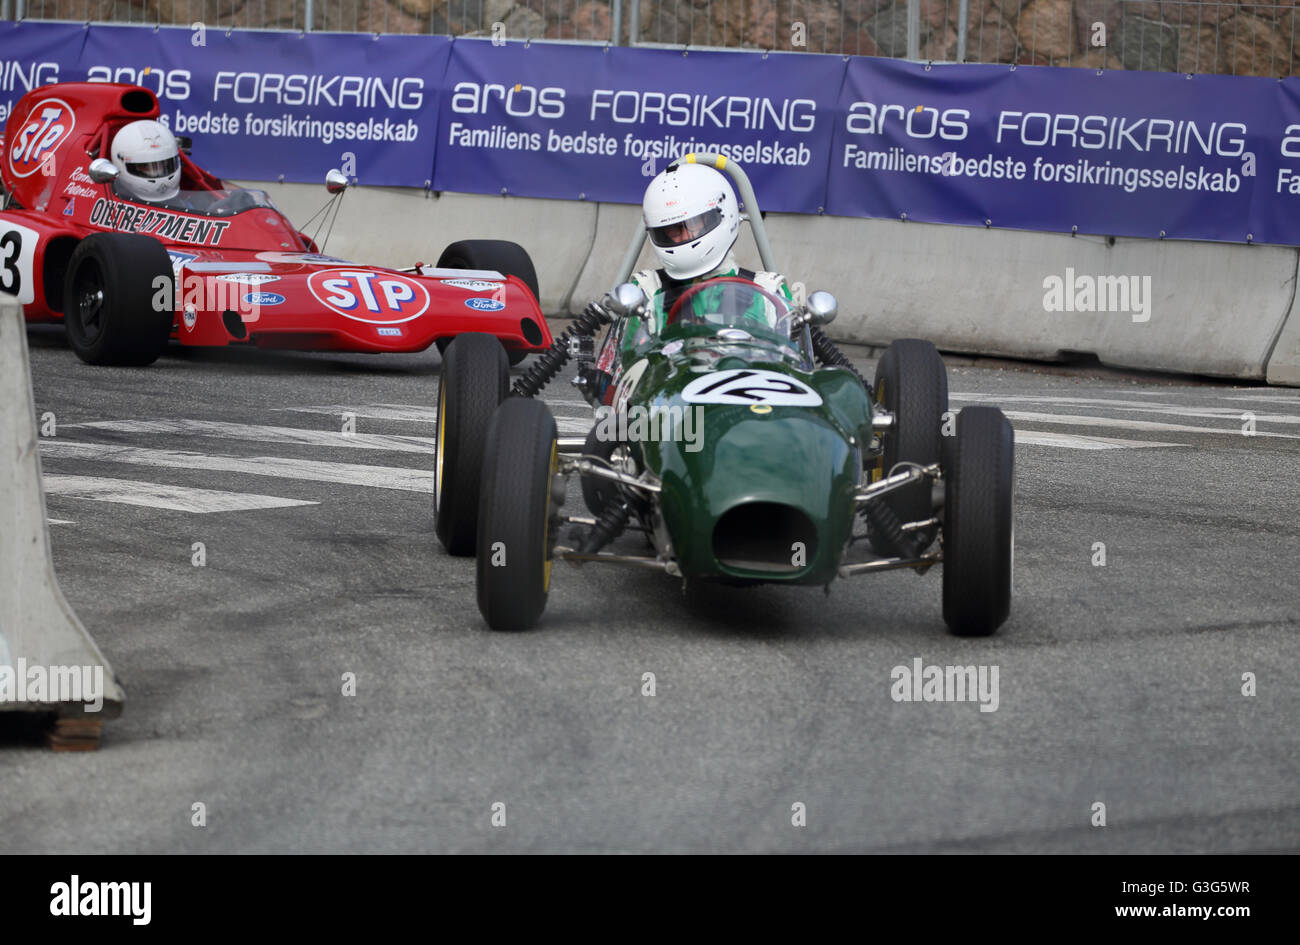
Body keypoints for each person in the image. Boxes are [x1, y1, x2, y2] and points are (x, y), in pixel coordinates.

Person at [617, 161, 793, 353]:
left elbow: (792, 367)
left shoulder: (769, 291)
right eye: (672, 230)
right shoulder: (646, 291)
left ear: (721, 216)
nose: (684, 237)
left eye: (693, 225)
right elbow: (625, 370)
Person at [109, 119, 183, 205]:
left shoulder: (184, 205)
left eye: (163, 164)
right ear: (120, 164)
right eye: (145, 166)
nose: (157, 172)